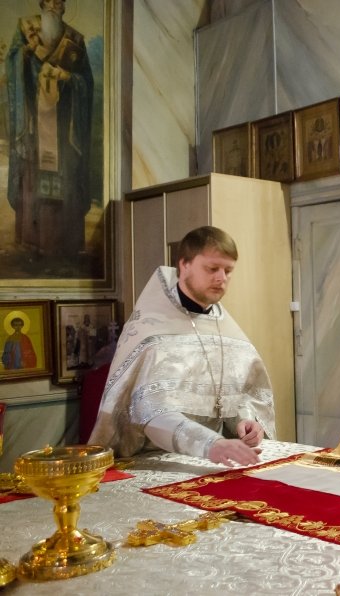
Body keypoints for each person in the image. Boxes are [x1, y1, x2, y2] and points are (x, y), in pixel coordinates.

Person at [89, 226, 276, 467]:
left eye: (228, 270)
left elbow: (237, 397)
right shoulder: (153, 334)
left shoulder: (230, 333)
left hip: (218, 462)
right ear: (184, 265)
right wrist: (210, 444)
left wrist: (246, 422)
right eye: (212, 269)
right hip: (152, 462)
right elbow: (150, 414)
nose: (221, 278)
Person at [6, 0, 94, 256]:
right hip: (34, 125)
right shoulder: (26, 29)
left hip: (64, 130)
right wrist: (25, 53)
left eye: (59, 1)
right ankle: (32, 242)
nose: (54, 5)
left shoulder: (74, 40)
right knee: (33, 179)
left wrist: (69, 78)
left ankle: (64, 245)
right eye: (50, 1)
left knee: (66, 181)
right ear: (42, 3)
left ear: (64, 7)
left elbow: (87, 82)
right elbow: (12, 65)